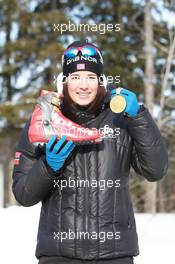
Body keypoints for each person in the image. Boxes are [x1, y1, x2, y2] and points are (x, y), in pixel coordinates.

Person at [12, 39, 168, 264]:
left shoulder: (121, 120)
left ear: (101, 80)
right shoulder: (44, 121)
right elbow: (23, 194)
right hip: (59, 255)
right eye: (75, 77)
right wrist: (48, 167)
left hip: (114, 254)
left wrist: (138, 116)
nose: (83, 85)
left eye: (90, 77)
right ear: (64, 81)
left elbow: (155, 170)